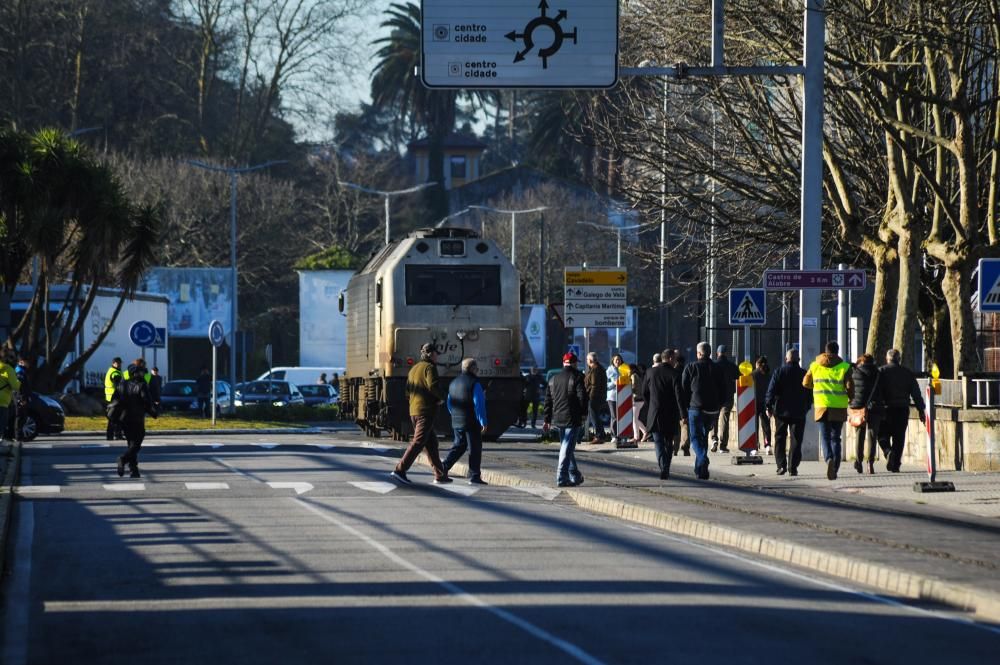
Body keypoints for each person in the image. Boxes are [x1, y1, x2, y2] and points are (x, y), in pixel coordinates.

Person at [391, 342, 450, 485]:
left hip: (414, 411)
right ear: (431, 354)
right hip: (426, 411)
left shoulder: (414, 369)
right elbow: (432, 386)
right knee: (418, 442)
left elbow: (407, 392)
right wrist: (442, 398)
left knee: (431, 443)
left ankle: (440, 474)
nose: (437, 357)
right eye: (436, 354)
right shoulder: (430, 368)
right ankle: (400, 470)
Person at [803, 341, 854, 480]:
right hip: (839, 407)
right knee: (836, 438)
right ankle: (835, 466)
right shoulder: (845, 367)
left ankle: (828, 459)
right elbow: (850, 387)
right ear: (837, 352)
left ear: (825, 351)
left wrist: (816, 388)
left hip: (821, 406)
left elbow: (805, 382)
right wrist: (851, 398)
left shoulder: (815, 365)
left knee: (825, 437)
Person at [681, 342, 726, 480]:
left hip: (696, 408)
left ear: (698, 353)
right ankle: (700, 471)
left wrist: (685, 407)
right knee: (704, 438)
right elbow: (723, 388)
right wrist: (719, 405)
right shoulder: (717, 368)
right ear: (710, 353)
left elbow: (684, 388)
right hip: (712, 409)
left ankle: (703, 458)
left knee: (695, 438)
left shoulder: (691, 367)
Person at [765, 348, 812, 476]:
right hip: (799, 411)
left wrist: (768, 406)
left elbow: (771, 390)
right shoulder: (804, 373)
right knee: (796, 439)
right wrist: (807, 406)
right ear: (799, 360)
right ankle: (793, 467)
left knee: (780, 438)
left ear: (786, 359)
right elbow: (810, 393)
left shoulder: (779, 372)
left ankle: (781, 466)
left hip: (781, 411)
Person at [877, 349, 925, 472]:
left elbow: (875, 391)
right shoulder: (907, 373)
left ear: (887, 359)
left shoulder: (881, 372)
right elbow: (916, 394)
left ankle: (888, 452)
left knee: (882, 435)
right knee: (899, 438)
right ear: (899, 359)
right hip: (902, 409)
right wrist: (921, 410)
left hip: (885, 409)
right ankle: (896, 464)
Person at [442, 358, 489, 485]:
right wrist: (483, 421)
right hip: (471, 421)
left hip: (457, 420)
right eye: (477, 369)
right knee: (474, 448)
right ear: (473, 369)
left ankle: (443, 467)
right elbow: (479, 404)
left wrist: (455, 415)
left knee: (459, 446)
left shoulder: (453, 383)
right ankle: (475, 476)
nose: (477, 371)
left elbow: (449, 403)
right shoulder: (475, 383)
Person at [543, 352, 587, 487]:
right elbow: (582, 397)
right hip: (572, 418)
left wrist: (547, 419)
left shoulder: (553, 379)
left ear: (563, 363)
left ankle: (574, 474)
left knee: (566, 447)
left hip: (558, 417)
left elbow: (548, 401)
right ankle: (561, 477)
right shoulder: (578, 377)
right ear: (574, 363)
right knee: (566, 448)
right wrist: (583, 414)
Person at [111, 360, 158, 478]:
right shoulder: (141, 385)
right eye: (141, 373)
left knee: (131, 443)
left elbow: (114, 399)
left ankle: (134, 470)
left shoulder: (122, 384)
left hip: (123, 418)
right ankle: (123, 459)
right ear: (136, 374)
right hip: (136, 418)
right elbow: (146, 402)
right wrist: (153, 412)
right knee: (136, 444)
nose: (143, 375)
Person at [643, 348, 684, 479]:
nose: (676, 362)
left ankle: (663, 466)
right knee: (669, 442)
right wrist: (683, 414)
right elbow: (679, 396)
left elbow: (644, 392)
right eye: (675, 359)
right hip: (670, 414)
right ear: (670, 358)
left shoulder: (650, 372)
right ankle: (666, 466)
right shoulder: (675, 374)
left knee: (658, 442)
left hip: (654, 413)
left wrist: (651, 405)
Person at [849, 353, 883, 474]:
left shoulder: (855, 372)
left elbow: (852, 389)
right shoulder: (879, 373)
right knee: (872, 435)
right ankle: (871, 463)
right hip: (875, 407)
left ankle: (858, 462)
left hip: (859, 407)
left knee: (859, 435)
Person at [710, 345, 740, 452]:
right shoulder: (732, 366)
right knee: (724, 419)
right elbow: (739, 377)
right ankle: (723, 445)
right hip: (728, 396)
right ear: (726, 353)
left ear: (717, 353)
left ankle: (714, 439)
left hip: (715, 396)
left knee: (714, 418)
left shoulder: (713, 365)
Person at [584, 353, 608, 444]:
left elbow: (594, 385)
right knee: (595, 416)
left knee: (594, 417)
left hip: (594, 397)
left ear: (590, 360)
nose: (586, 361)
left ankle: (599, 436)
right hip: (598, 396)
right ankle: (601, 435)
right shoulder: (597, 368)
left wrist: (591, 397)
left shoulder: (595, 370)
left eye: (587, 360)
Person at [671, 351, 691, 456]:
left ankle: (675, 448)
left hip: (674, 402)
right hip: (686, 402)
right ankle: (685, 446)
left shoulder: (673, 372)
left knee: (676, 426)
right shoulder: (687, 371)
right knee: (685, 425)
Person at [753, 356, 773, 455]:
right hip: (766, 402)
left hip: (754, 402)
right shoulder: (769, 375)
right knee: (766, 424)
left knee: (754, 425)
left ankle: (755, 446)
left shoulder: (753, 374)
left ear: (757, 364)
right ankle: (767, 444)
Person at [0, 352, 21, 444]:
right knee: (1, 423)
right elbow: (15, 386)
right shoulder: (8, 369)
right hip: (2, 401)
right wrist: (19, 381)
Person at [104, 357, 124, 440]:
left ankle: (110, 435)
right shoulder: (115, 373)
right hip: (115, 397)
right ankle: (117, 434)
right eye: (117, 363)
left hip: (110, 397)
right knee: (117, 417)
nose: (119, 364)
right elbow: (118, 385)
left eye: (120, 363)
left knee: (112, 417)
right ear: (113, 363)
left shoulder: (111, 371)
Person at [606, 354, 625, 443]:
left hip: (623, 396)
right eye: (616, 360)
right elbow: (605, 385)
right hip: (612, 397)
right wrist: (614, 383)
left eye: (619, 360)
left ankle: (621, 434)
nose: (618, 361)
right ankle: (614, 435)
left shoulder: (624, 369)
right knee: (614, 417)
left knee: (622, 417)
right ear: (613, 361)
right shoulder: (609, 371)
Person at [14, 357, 33, 442]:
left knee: (22, 417)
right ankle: (18, 437)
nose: (28, 364)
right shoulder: (19, 372)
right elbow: (19, 387)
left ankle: (19, 436)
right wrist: (22, 399)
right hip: (20, 399)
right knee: (20, 417)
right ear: (21, 362)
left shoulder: (22, 371)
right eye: (26, 362)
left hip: (22, 398)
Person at [631, 363, 650, 442]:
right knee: (636, 418)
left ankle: (636, 437)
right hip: (640, 399)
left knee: (635, 419)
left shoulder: (633, 376)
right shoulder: (639, 375)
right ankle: (645, 432)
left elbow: (634, 387)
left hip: (636, 399)